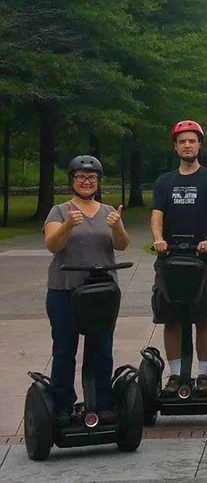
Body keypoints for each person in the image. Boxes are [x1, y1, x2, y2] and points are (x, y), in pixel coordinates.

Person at [43, 156, 131, 426]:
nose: (86, 181)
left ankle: (102, 402)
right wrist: (69, 225)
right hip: (66, 290)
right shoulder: (60, 211)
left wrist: (117, 226)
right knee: (65, 349)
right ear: (72, 180)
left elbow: (122, 245)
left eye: (91, 177)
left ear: (98, 182)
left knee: (101, 349)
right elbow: (52, 245)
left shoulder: (107, 211)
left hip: (101, 292)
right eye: (81, 177)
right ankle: (62, 406)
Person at [150, 120, 207, 397]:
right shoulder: (164, 181)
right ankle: (174, 374)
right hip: (169, 258)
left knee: (204, 316)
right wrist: (158, 240)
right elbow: (156, 215)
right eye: (182, 141)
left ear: (200, 145)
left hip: (201, 259)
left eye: (192, 141)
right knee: (170, 317)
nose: (187, 145)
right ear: (175, 147)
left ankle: (203, 374)